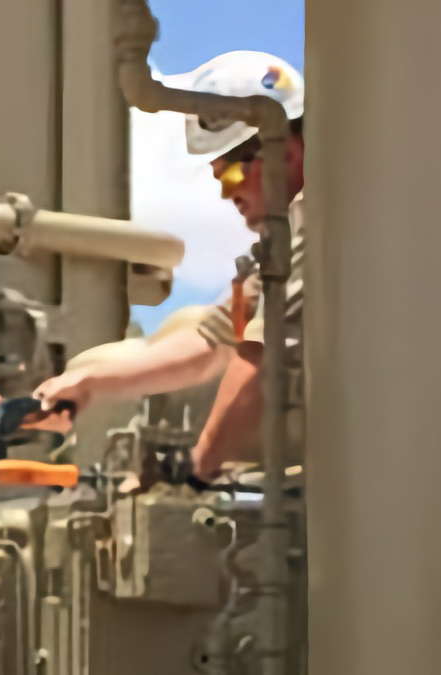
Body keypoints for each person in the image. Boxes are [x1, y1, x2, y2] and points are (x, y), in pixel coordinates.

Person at [34, 51, 305, 484]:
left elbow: (261, 357)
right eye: (217, 178)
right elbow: (207, 347)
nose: (224, 195)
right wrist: (88, 382)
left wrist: (200, 465)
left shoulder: (322, 224)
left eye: (230, 175)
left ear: (285, 155)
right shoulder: (272, 256)